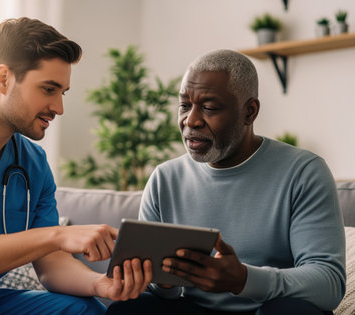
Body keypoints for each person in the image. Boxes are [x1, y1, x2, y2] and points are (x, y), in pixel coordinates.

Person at [0, 17, 152, 314]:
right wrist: (57, 236)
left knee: (84, 309)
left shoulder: (33, 164)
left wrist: (100, 283)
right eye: (49, 89)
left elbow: (51, 264)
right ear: (4, 79)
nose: (59, 108)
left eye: (62, 92)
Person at [106, 49, 346, 315]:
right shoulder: (164, 179)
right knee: (130, 309)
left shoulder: (304, 172)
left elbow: (329, 283)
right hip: (195, 309)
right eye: (184, 105)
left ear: (249, 112)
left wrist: (244, 279)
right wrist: (162, 281)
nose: (191, 120)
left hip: (268, 309)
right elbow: (162, 293)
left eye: (209, 108)